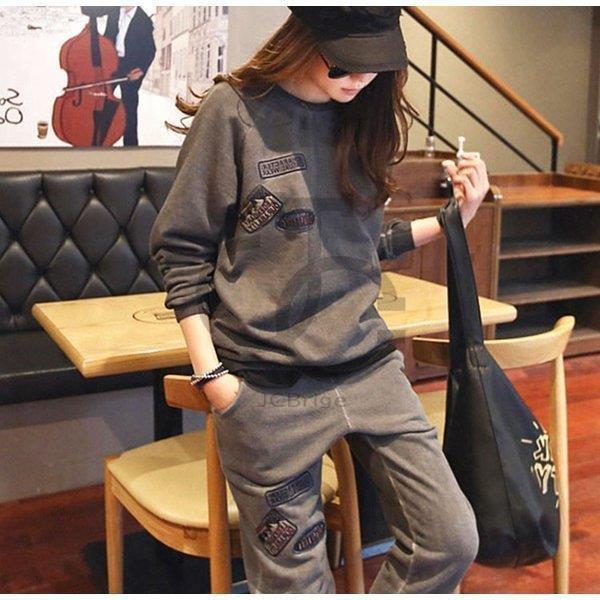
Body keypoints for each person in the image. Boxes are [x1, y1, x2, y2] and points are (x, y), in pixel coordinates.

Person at [149, 6, 490, 593]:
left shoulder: (362, 115)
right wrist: (214, 379)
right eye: (347, 63)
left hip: (367, 366)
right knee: (293, 583)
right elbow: (181, 250)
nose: (361, 78)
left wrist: (453, 218)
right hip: (265, 385)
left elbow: (357, 243)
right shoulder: (233, 111)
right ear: (305, 36)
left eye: (375, 65)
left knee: (449, 538)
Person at [81, 6, 156, 146]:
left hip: (130, 68)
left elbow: (150, 50)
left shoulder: (144, 21)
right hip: (111, 63)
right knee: (101, 101)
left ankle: (130, 148)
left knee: (129, 109)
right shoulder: (114, 9)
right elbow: (89, 10)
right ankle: (97, 142)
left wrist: (141, 70)